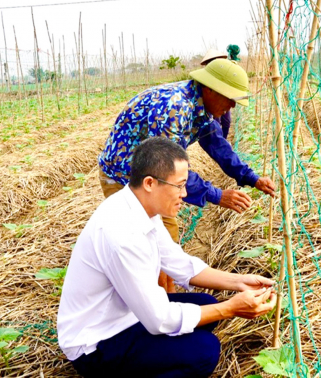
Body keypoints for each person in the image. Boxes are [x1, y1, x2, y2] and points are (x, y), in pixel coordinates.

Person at [57, 137, 277, 377]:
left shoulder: (140, 208)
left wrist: (238, 282)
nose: (185, 193)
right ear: (150, 183)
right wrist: (232, 308)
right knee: (204, 351)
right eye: (180, 185)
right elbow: (158, 320)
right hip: (97, 343)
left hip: (125, 314)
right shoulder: (122, 234)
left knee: (207, 307)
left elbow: (180, 264)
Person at [98, 57, 276, 244]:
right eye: (230, 98)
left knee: (166, 244)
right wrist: (217, 195)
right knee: (138, 245)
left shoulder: (202, 107)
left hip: (153, 178)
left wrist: (252, 178)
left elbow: (217, 145)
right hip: (124, 178)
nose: (232, 106)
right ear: (210, 89)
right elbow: (168, 168)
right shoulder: (173, 108)